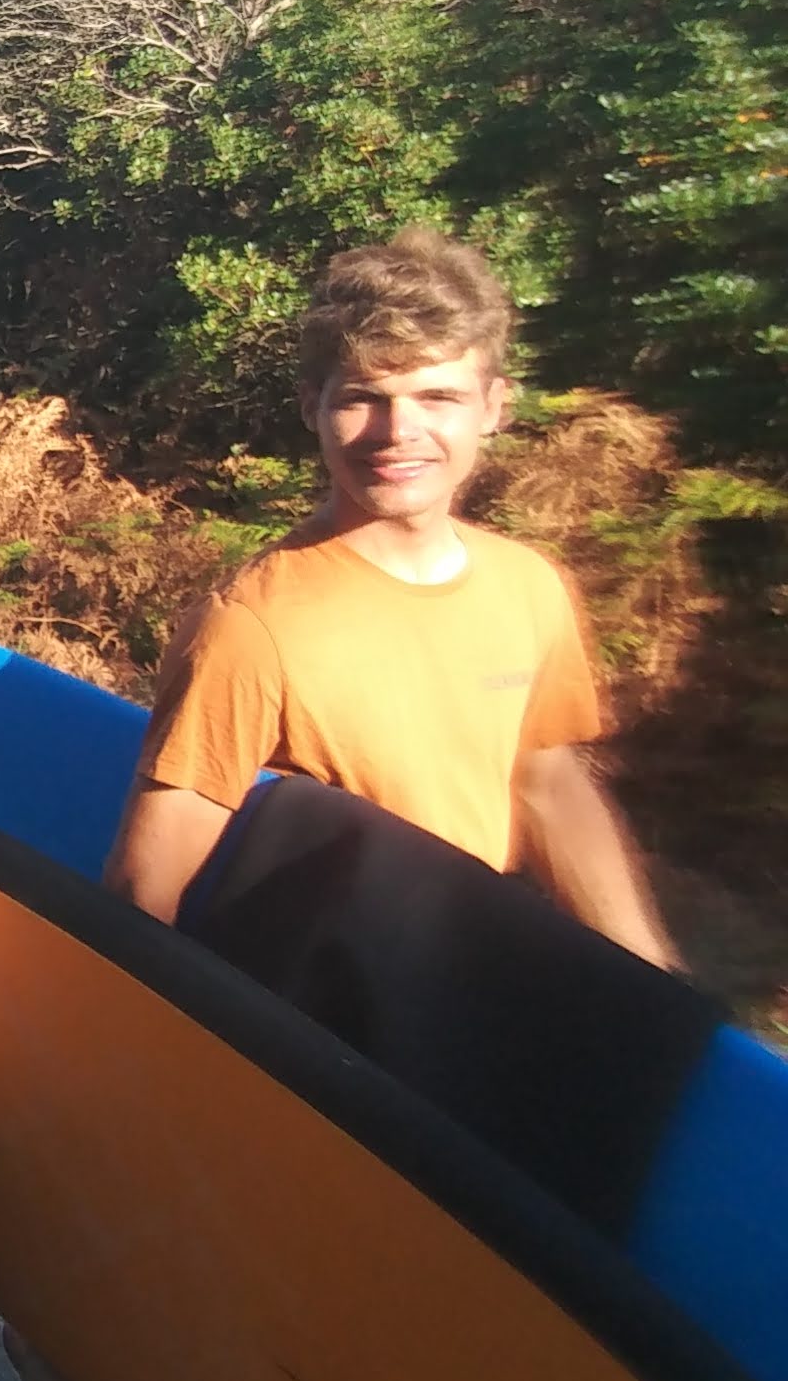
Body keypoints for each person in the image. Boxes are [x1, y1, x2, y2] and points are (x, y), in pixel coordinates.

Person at [104, 225, 680, 967]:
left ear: (494, 406)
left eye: (437, 395)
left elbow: (546, 782)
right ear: (313, 406)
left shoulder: (528, 586)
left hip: (481, 963)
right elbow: (142, 887)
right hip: (340, 1000)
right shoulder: (254, 626)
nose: (398, 431)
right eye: (364, 398)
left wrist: (652, 977)